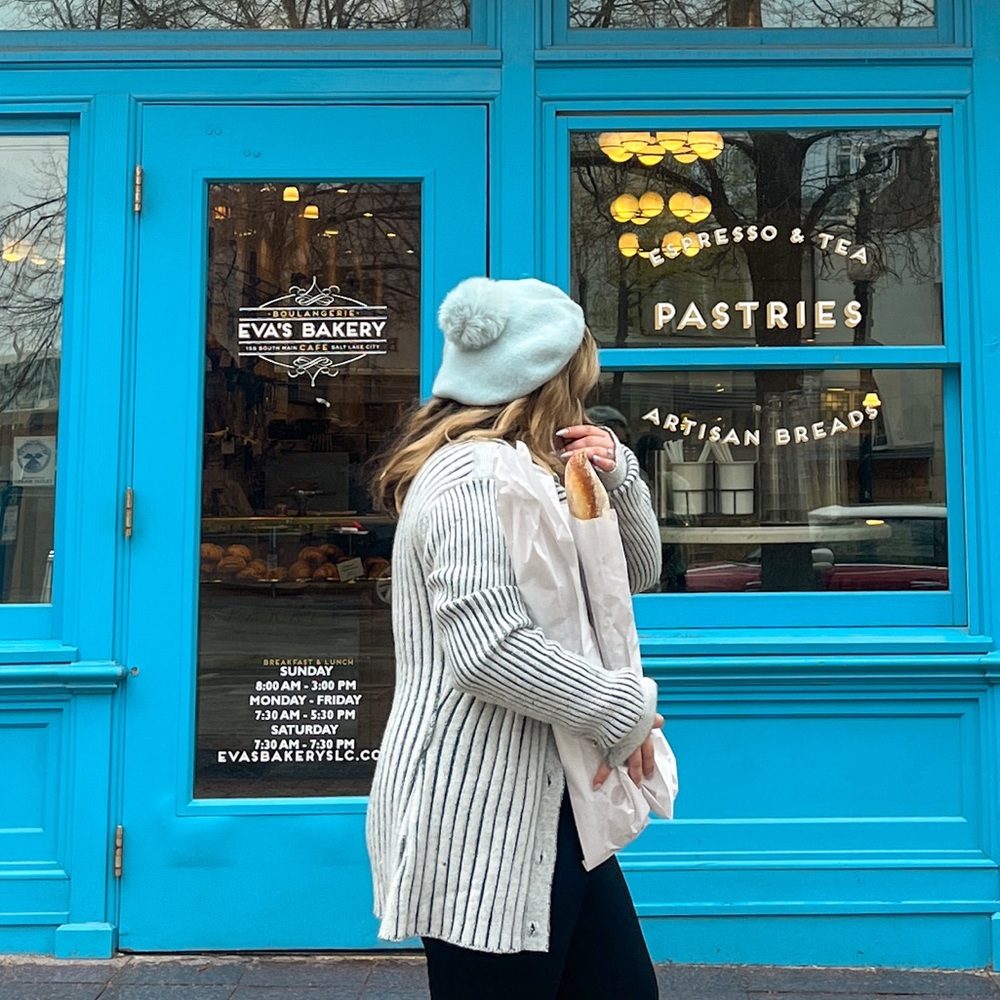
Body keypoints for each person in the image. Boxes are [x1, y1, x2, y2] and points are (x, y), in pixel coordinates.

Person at [366, 276, 664, 1000]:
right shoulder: (470, 476)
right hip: (481, 810)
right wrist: (622, 715)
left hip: (555, 796)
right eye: (578, 377)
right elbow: (489, 647)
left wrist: (618, 478)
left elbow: (640, 574)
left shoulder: (540, 473)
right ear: (547, 379)